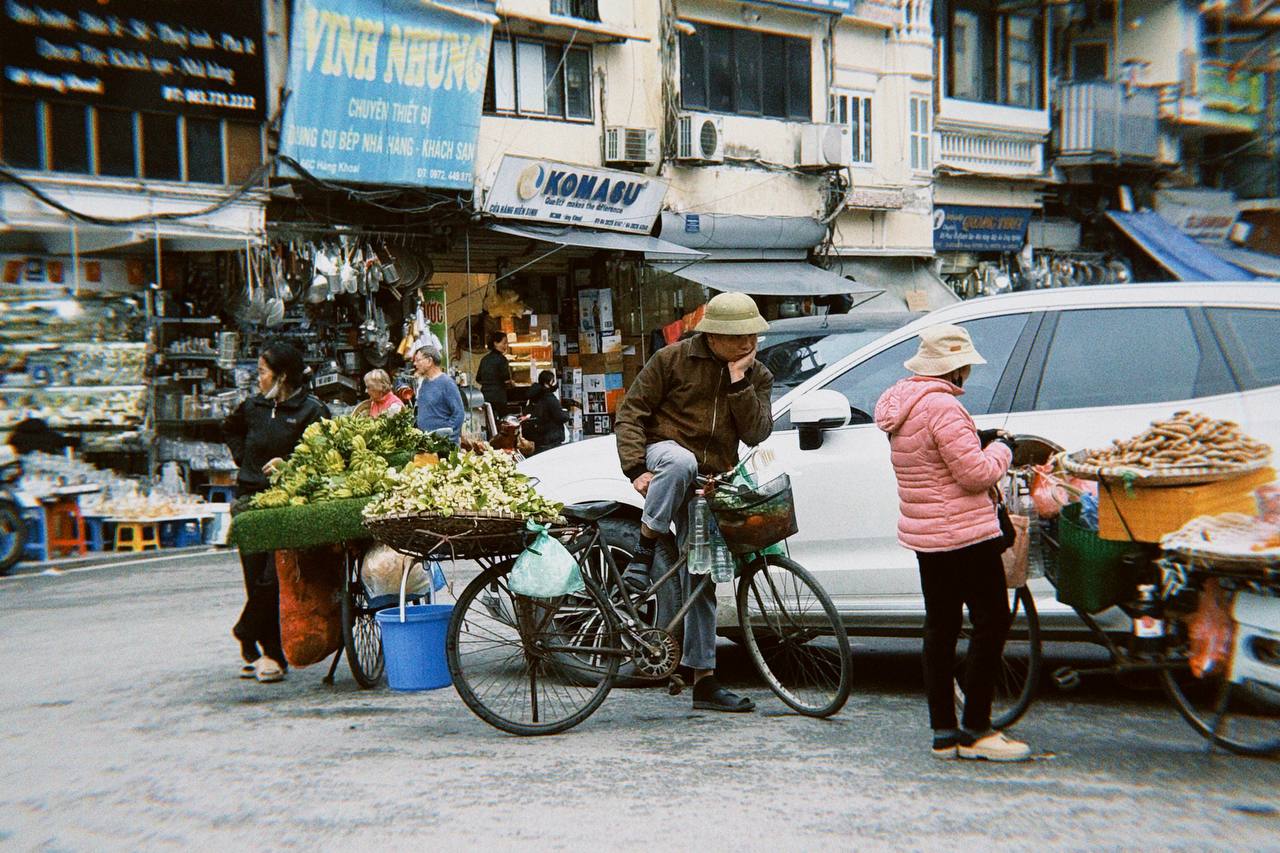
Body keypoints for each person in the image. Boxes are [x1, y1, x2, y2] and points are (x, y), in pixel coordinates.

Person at [873, 324, 1031, 762]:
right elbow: (976, 475)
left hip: (928, 536)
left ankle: (944, 732)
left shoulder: (905, 404)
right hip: (965, 534)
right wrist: (1003, 449)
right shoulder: (943, 406)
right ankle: (977, 730)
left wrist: (978, 444)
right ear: (957, 368)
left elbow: (934, 460)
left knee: (940, 629)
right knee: (991, 622)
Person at [614, 292, 773, 713]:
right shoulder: (672, 359)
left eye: (751, 335)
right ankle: (644, 550)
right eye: (737, 336)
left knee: (701, 577)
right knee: (681, 461)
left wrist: (739, 382)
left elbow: (757, 433)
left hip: (711, 480)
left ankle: (703, 679)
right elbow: (631, 413)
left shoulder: (757, 375)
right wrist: (635, 468)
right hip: (664, 456)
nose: (747, 343)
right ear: (713, 336)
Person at [222, 341, 329, 684]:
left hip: (289, 503)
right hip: (250, 499)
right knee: (255, 576)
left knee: (273, 578)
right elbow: (230, 428)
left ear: (281, 377)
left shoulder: (312, 410)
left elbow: (324, 456)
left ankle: (246, 630)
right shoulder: (253, 407)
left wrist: (290, 464)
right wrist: (245, 460)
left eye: (263, 372)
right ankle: (270, 654)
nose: (259, 379)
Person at [412, 345, 464, 444]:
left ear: (429, 361)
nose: (415, 364)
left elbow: (459, 414)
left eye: (418, 360)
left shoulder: (447, 383)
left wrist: (447, 438)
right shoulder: (424, 382)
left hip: (442, 445)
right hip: (427, 443)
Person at [525, 370, 574, 453]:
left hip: (539, 438)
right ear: (547, 383)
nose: (555, 383)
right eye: (553, 381)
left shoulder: (534, 397)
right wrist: (566, 413)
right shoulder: (549, 397)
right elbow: (560, 416)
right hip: (551, 438)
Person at [475, 331, 513, 415]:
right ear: (495, 343)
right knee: (502, 420)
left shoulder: (484, 359)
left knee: (489, 420)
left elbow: (478, 378)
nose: (506, 346)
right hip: (499, 398)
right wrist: (511, 384)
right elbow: (506, 380)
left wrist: (488, 384)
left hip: (485, 397)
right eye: (504, 343)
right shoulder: (502, 359)